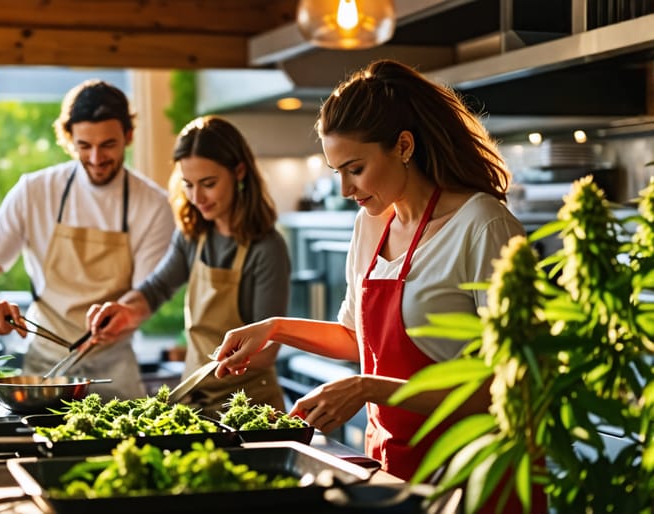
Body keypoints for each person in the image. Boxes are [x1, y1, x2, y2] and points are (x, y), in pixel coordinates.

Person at [212, 60, 546, 512]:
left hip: (474, 474)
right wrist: (274, 328)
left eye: (356, 168)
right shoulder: (372, 225)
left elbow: (512, 387)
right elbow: (358, 339)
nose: (347, 189)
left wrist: (368, 389)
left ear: (404, 146)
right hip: (393, 470)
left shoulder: (482, 226)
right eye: (338, 172)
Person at [0, 79, 174, 400]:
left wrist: (126, 313)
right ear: (68, 138)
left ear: (128, 136)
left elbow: (147, 294)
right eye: (84, 146)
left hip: (114, 370)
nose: (97, 158)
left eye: (108, 145)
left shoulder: (153, 205)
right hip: (44, 366)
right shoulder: (34, 191)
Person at [86, 115, 291, 417]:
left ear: (239, 172)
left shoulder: (267, 248)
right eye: (189, 185)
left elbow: (267, 350)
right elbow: (155, 289)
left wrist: (218, 363)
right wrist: (124, 311)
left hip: (250, 409)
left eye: (208, 184)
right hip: (195, 402)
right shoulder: (193, 236)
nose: (197, 198)